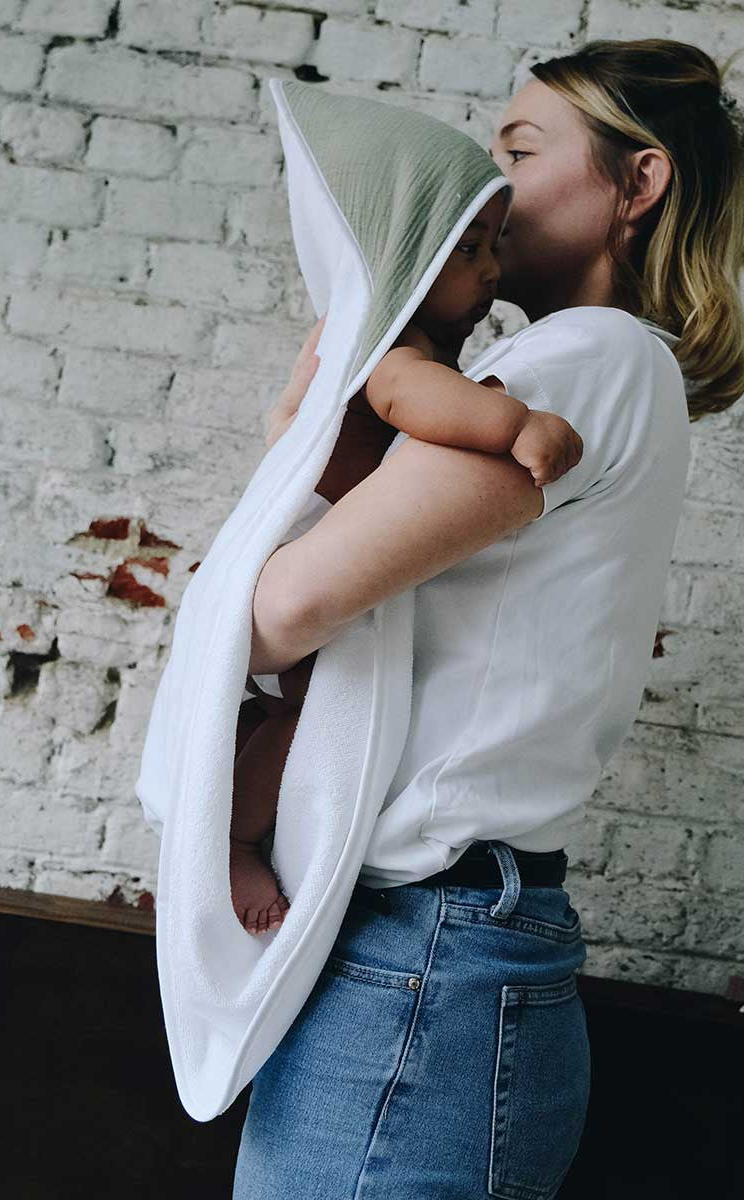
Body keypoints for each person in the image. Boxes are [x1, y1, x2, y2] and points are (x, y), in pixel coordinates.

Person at [234, 38, 744, 1200]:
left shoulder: (584, 356)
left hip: (425, 948)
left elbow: (284, 609)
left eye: (522, 152)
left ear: (638, 184)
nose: (493, 181)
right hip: (431, 946)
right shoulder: (571, 362)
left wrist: (286, 473)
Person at [230, 187, 588, 936]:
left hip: (308, 548)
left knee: (269, 715)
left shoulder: (398, 337)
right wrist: (515, 424)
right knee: (299, 713)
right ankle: (237, 839)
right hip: (301, 550)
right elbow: (407, 399)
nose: (491, 269)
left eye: (493, 246)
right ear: (407, 262)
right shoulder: (391, 346)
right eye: (469, 250)